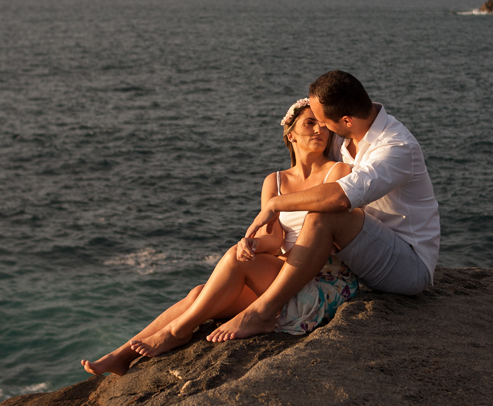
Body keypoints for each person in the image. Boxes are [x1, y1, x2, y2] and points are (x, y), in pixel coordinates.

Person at [81, 98, 361, 376]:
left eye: (323, 125)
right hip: (284, 273)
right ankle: (121, 355)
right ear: (290, 134)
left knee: (233, 263)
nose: (319, 131)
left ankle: (177, 331)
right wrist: (252, 243)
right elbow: (274, 240)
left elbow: (339, 213)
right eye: (309, 123)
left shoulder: (337, 171)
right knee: (200, 294)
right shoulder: (275, 181)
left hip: (321, 278)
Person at [207, 70, 439, 343]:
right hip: (359, 252)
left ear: (346, 120)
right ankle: (172, 330)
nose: (321, 129)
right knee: (207, 291)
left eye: (324, 122)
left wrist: (275, 204)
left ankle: (264, 312)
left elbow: (340, 197)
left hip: (407, 265)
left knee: (324, 216)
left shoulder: (396, 148)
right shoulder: (345, 136)